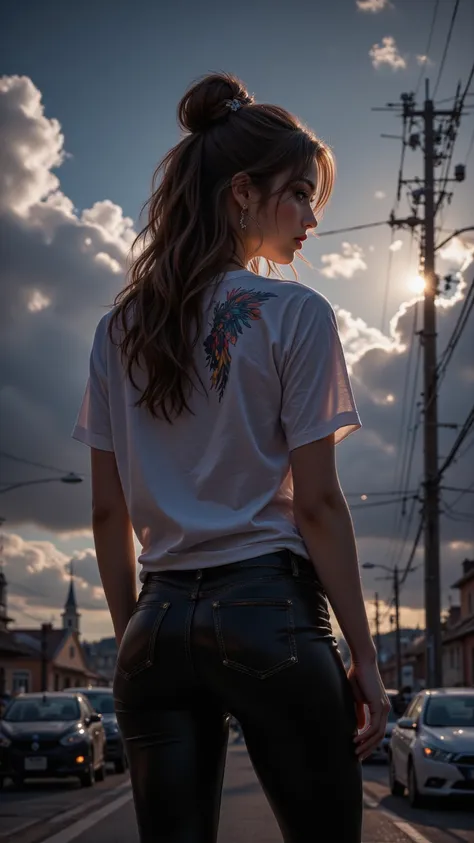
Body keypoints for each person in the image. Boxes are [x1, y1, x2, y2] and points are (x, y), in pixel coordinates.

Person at [72, 72, 390, 843]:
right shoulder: (298, 314)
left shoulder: (118, 332)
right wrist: (367, 663)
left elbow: (109, 511)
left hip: (156, 621)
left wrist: (136, 643)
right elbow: (316, 504)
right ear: (243, 194)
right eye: (301, 194)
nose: (314, 217)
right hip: (269, 614)